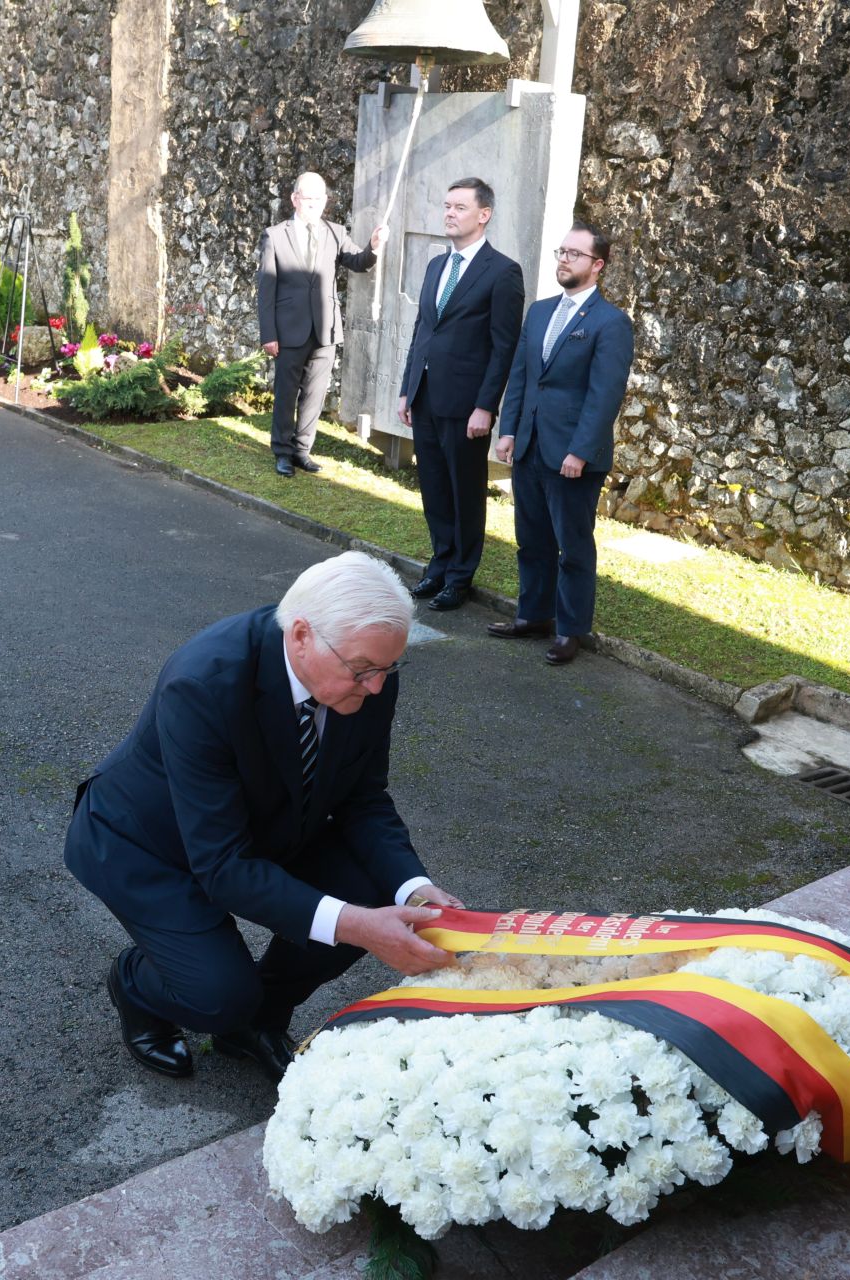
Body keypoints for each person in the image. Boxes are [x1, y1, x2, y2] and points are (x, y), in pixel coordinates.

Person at [65, 550, 463, 1082]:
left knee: (377, 886)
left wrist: (413, 888)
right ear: (301, 635)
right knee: (218, 993)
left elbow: (362, 798)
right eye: (363, 670)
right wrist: (358, 927)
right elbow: (224, 864)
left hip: (260, 825)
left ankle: (254, 1023)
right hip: (149, 846)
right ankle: (137, 984)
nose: (376, 687)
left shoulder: (367, 669)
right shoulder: (204, 682)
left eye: (388, 669)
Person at [490, 223, 635, 666]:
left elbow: (604, 394)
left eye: (575, 254)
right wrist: (508, 429)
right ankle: (534, 615)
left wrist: (580, 450)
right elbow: (521, 376)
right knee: (530, 538)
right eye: (561, 251)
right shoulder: (539, 312)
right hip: (531, 446)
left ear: (597, 265)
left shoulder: (611, 324)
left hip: (572, 455)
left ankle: (571, 628)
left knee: (572, 545)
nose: (564, 260)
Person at [398, 178, 525, 613]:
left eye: (459, 207)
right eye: (446, 205)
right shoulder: (437, 266)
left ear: (483, 214)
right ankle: (439, 563)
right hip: (426, 397)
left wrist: (486, 406)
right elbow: (422, 331)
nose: (449, 213)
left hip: (467, 404)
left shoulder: (503, 272)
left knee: (465, 491)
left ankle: (460, 577)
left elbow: (504, 345)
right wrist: (406, 389)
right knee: (433, 488)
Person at [255, 172, 386, 478]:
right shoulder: (274, 236)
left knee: (315, 394)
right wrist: (268, 334)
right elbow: (266, 290)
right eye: (307, 198)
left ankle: (302, 451)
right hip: (288, 331)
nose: (313, 203)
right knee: (286, 394)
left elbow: (358, 261)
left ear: (325, 201)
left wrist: (375, 246)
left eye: (319, 198)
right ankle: (283, 452)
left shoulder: (335, 232)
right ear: (294, 199)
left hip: (325, 331)